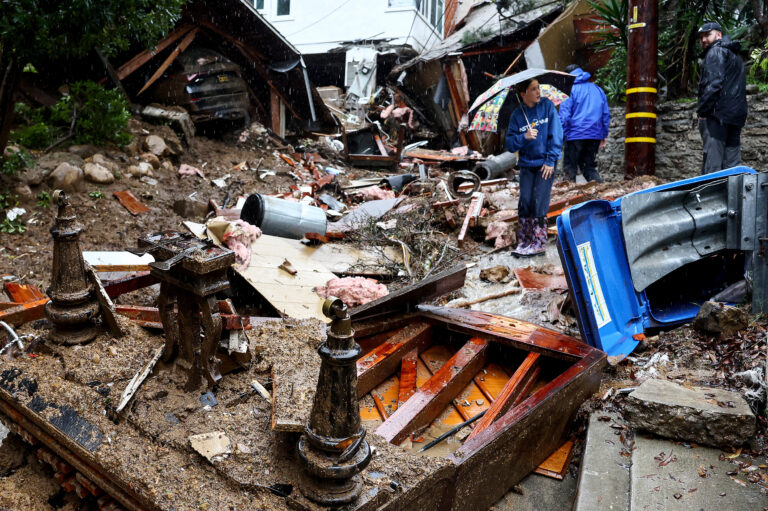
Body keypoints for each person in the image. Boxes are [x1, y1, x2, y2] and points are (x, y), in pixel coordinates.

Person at [505, 78, 563, 257]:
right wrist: (524, 137)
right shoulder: (516, 115)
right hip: (526, 166)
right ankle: (524, 242)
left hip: (544, 164)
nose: (538, 92)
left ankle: (538, 243)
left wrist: (551, 160)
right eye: (533, 89)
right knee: (525, 203)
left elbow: (557, 134)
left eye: (538, 87)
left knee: (539, 202)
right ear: (523, 94)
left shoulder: (547, 107)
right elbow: (509, 144)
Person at [697, 21, 747, 173]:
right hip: (736, 116)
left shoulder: (715, 52)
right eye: (701, 37)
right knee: (732, 167)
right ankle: (734, 197)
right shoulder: (735, 55)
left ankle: (711, 197)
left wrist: (703, 112)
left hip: (717, 116)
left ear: (719, 35)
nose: (703, 40)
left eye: (707, 35)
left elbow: (714, 84)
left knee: (712, 167)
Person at [559, 64, 610, 183]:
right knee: (589, 168)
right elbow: (605, 115)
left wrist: (561, 135)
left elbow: (564, 116)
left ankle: (569, 199)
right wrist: (603, 135)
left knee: (569, 170)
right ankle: (602, 192)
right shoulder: (597, 89)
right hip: (594, 135)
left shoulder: (569, 91)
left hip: (575, 136)